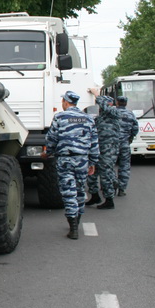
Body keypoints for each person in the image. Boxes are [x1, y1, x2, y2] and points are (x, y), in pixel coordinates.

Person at [45, 91, 99, 239]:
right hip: (82, 160)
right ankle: (77, 221)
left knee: (69, 192)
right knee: (80, 191)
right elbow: (94, 142)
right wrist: (93, 162)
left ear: (65, 102)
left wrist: (47, 153)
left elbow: (52, 138)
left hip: (65, 160)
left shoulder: (59, 117)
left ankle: (73, 227)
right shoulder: (88, 118)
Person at [86, 94, 121, 209]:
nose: (100, 108)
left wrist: (97, 94)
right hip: (97, 149)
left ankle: (109, 200)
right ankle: (94, 196)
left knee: (105, 174)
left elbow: (104, 105)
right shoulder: (99, 118)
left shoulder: (114, 113)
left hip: (108, 150)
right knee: (91, 173)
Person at [114, 95, 139, 196]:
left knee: (109, 165)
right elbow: (135, 129)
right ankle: (122, 189)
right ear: (126, 103)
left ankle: (113, 183)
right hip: (125, 143)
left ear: (117, 102)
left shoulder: (113, 113)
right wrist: (130, 138)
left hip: (112, 144)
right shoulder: (130, 114)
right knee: (124, 166)